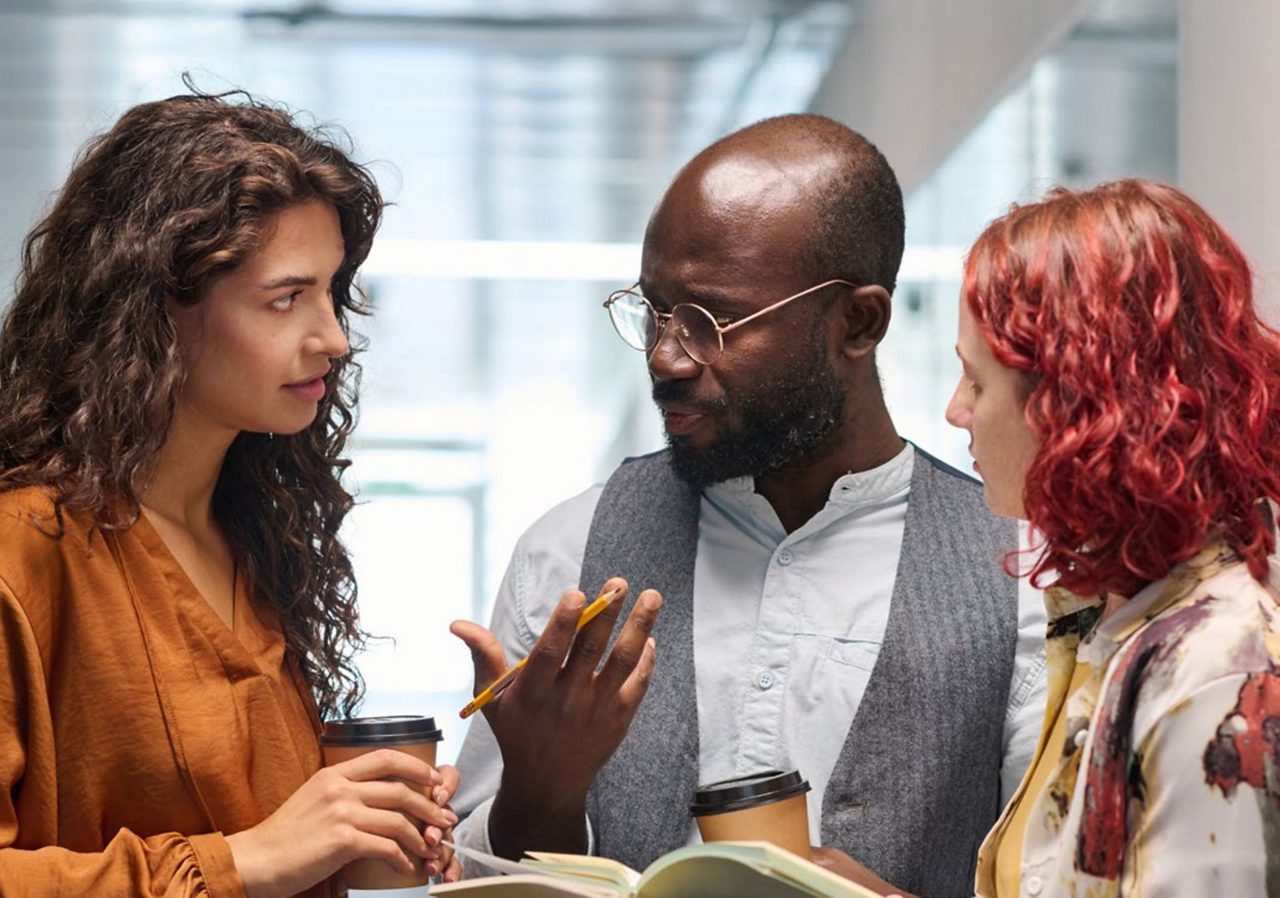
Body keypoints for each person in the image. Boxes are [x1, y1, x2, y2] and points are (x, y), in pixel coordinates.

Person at [450, 113, 1047, 898]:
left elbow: (1062, 878)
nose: (666, 356)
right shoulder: (567, 554)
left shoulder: (1025, 578)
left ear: (858, 322)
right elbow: (475, 881)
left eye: (710, 320)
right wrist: (540, 791)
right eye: (656, 311)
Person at [0, 89, 460, 897]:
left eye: (333, 292)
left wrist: (357, 829)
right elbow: (250, 858)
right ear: (156, 310)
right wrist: (245, 862)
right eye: (286, 298)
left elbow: (267, 841)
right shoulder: (23, 552)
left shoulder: (249, 535)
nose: (335, 337)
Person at [946, 179, 1280, 897]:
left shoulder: (1216, 668)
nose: (954, 411)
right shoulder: (1124, 615)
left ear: (1073, 404)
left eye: (976, 382)